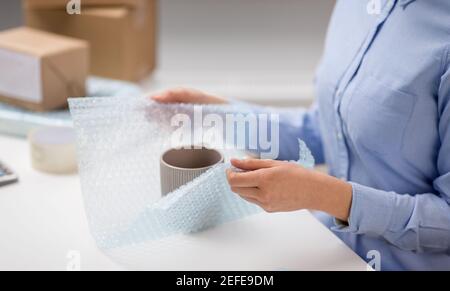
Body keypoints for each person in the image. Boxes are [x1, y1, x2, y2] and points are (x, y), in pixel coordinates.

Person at [151, 0, 450, 270]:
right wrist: (218, 115)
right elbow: (326, 130)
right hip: (331, 248)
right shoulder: (356, 7)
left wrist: (328, 196)